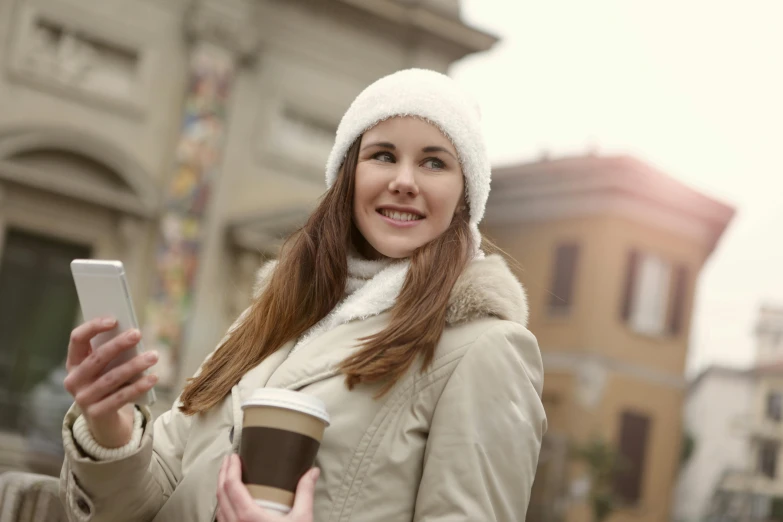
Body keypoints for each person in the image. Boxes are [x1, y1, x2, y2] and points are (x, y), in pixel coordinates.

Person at [59, 69, 547, 522]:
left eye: (434, 162)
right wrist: (110, 426)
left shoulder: (484, 349)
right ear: (348, 174)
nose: (403, 181)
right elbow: (155, 494)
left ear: (466, 194)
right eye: (382, 155)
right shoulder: (271, 317)